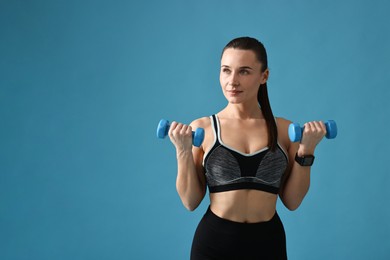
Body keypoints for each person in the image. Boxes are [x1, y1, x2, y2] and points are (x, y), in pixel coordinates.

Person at [168, 36, 326, 260]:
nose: (232, 81)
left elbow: (292, 201)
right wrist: (182, 151)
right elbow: (190, 201)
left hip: (268, 244)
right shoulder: (204, 128)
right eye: (226, 70)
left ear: (264, 76)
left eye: (244, 71)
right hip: (214, 244)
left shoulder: (284, 130)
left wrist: (306, 151)